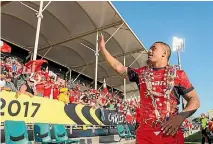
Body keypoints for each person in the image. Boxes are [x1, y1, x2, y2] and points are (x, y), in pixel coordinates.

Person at [98, 34, 200, 144]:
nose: (149, 51)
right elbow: (119, 68)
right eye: (150, 48)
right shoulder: (141, 73)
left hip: (170, 132)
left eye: (153, 48)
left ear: (164, 54)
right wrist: (103, 49)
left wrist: (180, 117)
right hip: (145, 134)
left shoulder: (178, 74)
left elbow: (194, 100)